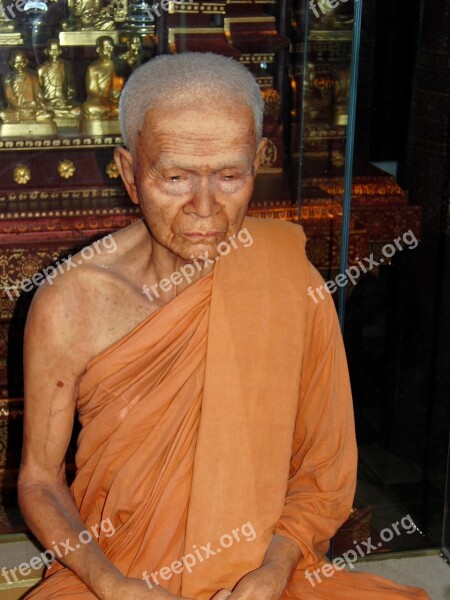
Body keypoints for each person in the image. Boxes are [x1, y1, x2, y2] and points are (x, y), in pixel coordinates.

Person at [19, 53, 429, 600]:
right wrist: (112, 584)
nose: (205, 208)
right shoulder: (72, 301)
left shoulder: (286, 277)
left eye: (230, 176)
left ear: (257, 164)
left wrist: (274, 569)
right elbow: (40, 481)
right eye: (176, 177)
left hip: (261, 571)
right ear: (129, 173)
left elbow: (322, 472)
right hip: (112, 576)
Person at [0, 50, 54, 124]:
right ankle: (26, 117)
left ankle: (27, 116)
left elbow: (38, 94)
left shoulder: (33, 75)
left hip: (32, 107)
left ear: (26, 61)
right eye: (16, 62)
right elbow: (10, 98)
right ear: (11, 63)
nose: (20, 65)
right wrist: (20, 107)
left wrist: (41, 105)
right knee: (2, 114)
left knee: (50, 114)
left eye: (22, 62)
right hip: (16, 109)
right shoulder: (7, 77)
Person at [80, 35, 122, 121]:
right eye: (106, 47)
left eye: (111, 47)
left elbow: (121, 85)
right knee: (89, 107)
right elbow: (92, 91)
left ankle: (111, 113)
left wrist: (116, 93)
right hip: (100, 102)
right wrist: (104, 98)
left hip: (115, 101)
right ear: (99, 50)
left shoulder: (119, 65)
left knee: (126, 107)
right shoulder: (93, 68)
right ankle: (111, 114)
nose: (109, 50)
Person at [37, 39, 80, 118]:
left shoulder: (66, 66)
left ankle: (54, 113)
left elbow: (71, 87)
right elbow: (38, 91)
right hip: (48, 103)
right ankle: (55, 113)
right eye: (51, 50)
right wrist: (45, 101)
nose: (54, 53)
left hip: (63, 103)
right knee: (38, 110)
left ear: (60, 51)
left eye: (56, 50)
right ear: (46, 51)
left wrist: (67, 99)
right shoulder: (41, 69)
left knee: (78, 110)